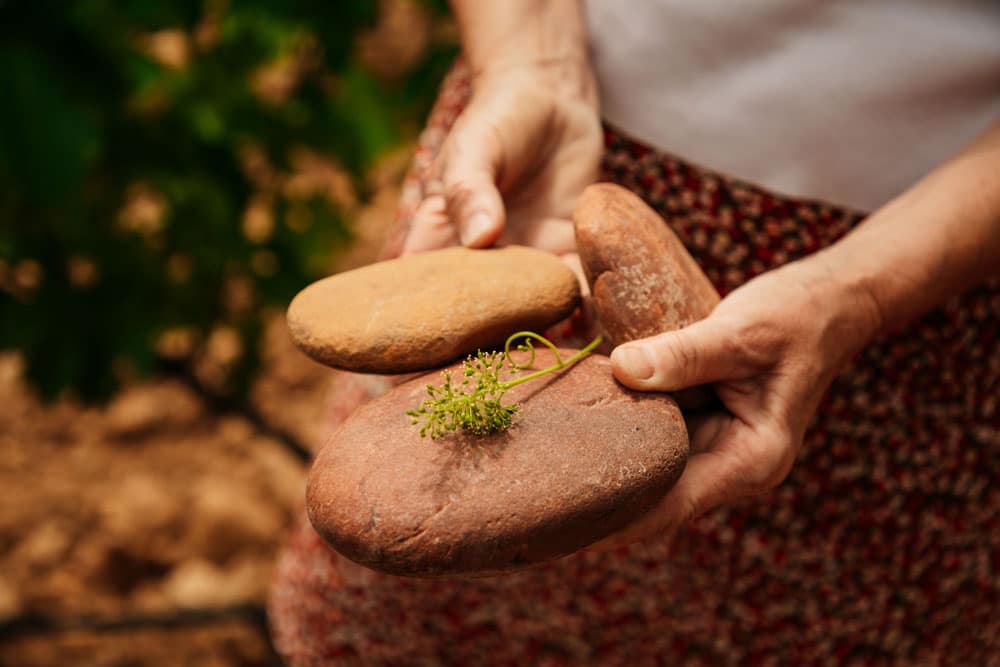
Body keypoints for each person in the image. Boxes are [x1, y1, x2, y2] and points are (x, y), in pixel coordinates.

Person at [270, 2, 1000, 663]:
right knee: (413, 560)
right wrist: (532, 62)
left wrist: (860, 294)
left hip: (918, 254)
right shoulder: (527, 231)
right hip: (545, 162)